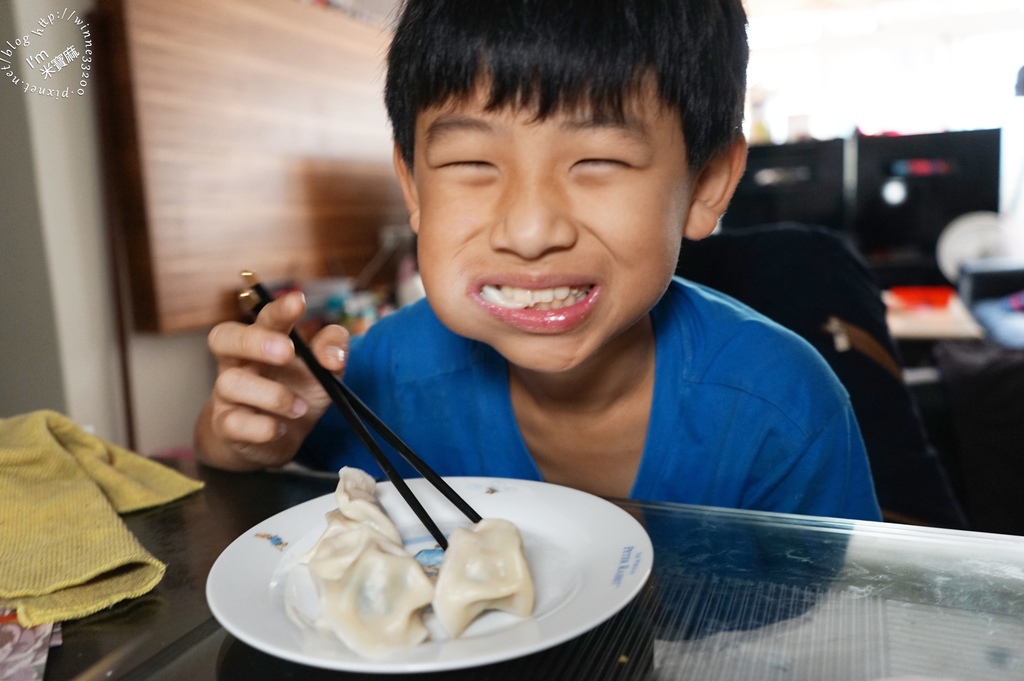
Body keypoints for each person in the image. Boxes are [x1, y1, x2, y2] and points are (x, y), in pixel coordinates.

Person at [194, 0, 881, 521]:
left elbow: (838, 634)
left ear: (706, 186)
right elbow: (243, 483)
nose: (528, 231)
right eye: (469, 163)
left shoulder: (783, 411)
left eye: (600, 161)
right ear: (414, 187)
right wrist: (243, 440)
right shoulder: (381, 373)